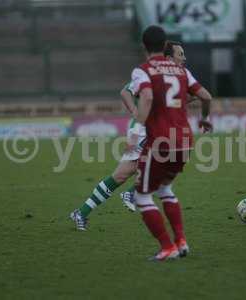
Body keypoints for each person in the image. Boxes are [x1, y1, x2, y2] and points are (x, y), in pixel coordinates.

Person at [70, 40, 201, 230]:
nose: (184, 58)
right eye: (181, 54)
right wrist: (134, 111)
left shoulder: (178, 77)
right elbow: (125, 92)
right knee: (132, 172)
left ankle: (87, 210)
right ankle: (93, 208)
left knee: (152, 168)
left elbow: (182, 99)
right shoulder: (150, 73)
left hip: (157, 128)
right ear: (169, 57)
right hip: (142, 131)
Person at [131, 25, 213, 261]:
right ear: (165, 43)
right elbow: (206, 96)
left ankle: (168, 248)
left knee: (142, 196)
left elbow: (146, 97)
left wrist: (135, 132)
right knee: (165, 187)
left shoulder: (142, 70)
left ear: (143, 45)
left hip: (160, 143)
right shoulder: (181, 71)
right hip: (185, 141)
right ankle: (181, 242)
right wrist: (205, 119)